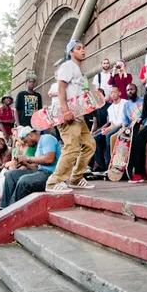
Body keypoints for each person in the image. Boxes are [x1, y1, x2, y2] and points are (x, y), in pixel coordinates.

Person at [44, 39, 97, 193]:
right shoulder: (67, 66)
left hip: (78, 116)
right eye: (78, 48)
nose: (83, 50)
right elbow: (61, 87)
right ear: (71, 52)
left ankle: (75, 178)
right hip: (67, 116)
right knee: (72, 148)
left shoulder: (78, 71)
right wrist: (65, 110)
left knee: (89, 145)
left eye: (83, 48)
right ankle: (54, 182)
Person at [1, 127, 61, 207]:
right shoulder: (38, 145)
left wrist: (28, 158)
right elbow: (37, 168)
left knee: (24, 181)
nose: (26, 144)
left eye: (26, 141)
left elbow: (49, 159)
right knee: (10, 174)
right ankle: (5, 208)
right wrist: (25, 164)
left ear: (31, 135)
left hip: (51, 174)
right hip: (41, 172)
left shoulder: (47, 138)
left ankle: (14, 210)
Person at [94, 86, 126, 172]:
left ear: (119, 93)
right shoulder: (110, 108)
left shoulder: (125, 103)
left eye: (115, 92)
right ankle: (101, 166)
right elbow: (112, 124)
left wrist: (110, 129)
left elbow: (124, 121)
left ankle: (109, 165)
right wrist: (107, 129)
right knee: (95, 139)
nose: (113, 94)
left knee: (108, 136)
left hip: (123, 126)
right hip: (114, 127)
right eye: (111, 93)